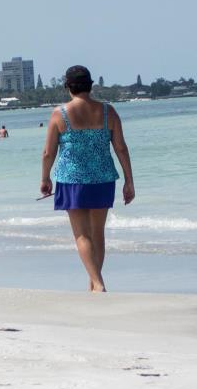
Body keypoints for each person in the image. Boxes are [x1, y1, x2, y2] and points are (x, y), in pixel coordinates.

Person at [39, 64, 135, 292]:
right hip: (103, 178)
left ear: (67, 87)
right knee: (97, 233)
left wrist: (45, 178)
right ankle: (94, 282)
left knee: (82, 235)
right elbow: (120, 147)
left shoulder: (60, 113)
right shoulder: (108, 112)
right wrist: (129, 180)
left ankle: (98, 283)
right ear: (90, 85)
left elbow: (48, 152)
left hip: (72, 180)